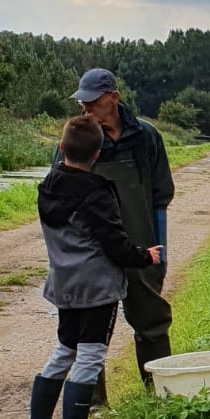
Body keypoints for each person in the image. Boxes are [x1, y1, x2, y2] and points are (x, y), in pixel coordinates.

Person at [27, 115, 162, 419]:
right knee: (91, 352)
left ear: (61, 149)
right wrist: (146, 256)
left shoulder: (47, 188)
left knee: (65, 348)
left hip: (64, 285)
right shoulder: (97, 193)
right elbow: (115, 245)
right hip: (97, 288)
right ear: (98, 154)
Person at [60, 68, 174, 389]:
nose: (86, 109)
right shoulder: (77, 139)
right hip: (93, 252)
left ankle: (159, 391)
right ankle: (94, 403)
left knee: (151, 320)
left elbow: (161, 196)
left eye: (92, 102)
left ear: (113, 98)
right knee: (90, 329)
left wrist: (159, 251)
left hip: (141, 246)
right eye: (82, 103)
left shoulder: (146, 136)